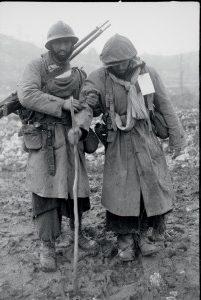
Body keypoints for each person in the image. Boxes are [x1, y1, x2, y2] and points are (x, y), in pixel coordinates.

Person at [77, 34, 186, 262]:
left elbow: (165, 105)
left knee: (149, 193)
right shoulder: (100, 77)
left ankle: (144, 238)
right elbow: (87, 101)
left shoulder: (147, 74)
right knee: (121, 196)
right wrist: (81, 125)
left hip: (146, 141)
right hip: (118, 145)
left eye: (121, 62)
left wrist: (177, 139)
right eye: (112, 64)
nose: (117, 67)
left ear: (132, 58)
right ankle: (125, 243)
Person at [17, 20, 98, 272]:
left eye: (67, 42)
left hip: (71, 139)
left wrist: (81, 127)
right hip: (45, 141)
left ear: (72, 44)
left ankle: (77, 234)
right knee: (45, 193)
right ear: (50, 44)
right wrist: (61, 104)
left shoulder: (78, 74)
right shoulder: (37, 66)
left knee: (77, 191)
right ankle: (47, 246)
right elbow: (26, 94)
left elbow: (87, 104)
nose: (63, 47)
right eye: (58, 42)